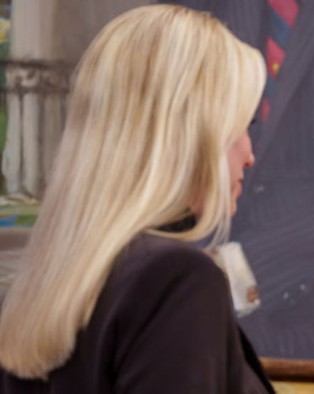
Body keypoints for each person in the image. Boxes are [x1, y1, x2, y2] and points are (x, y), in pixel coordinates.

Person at [0, 5, 274, 393]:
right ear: (187, 137)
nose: (249, 153)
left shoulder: (49, 284)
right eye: (243, 125)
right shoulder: (176, 280)